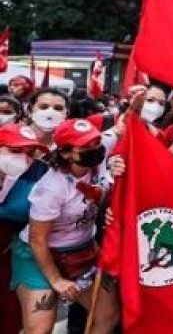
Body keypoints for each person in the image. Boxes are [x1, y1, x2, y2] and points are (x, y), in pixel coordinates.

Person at [12, 119, 122, 334]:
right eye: (86, 146)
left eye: (96, 142)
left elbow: (123, 126)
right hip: (39, 255)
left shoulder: (101, 153)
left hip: (83, 253)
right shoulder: (51, 188)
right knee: (39, 329)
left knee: (107, 317)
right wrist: (56, 280)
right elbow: (38, 240)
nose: (95, 148)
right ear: (65, 153)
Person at [0, 124, 50, 334]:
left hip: (10, 256)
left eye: (30, 152)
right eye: (14, 151)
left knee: (9, 317)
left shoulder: (39, 174)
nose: (24, 158)